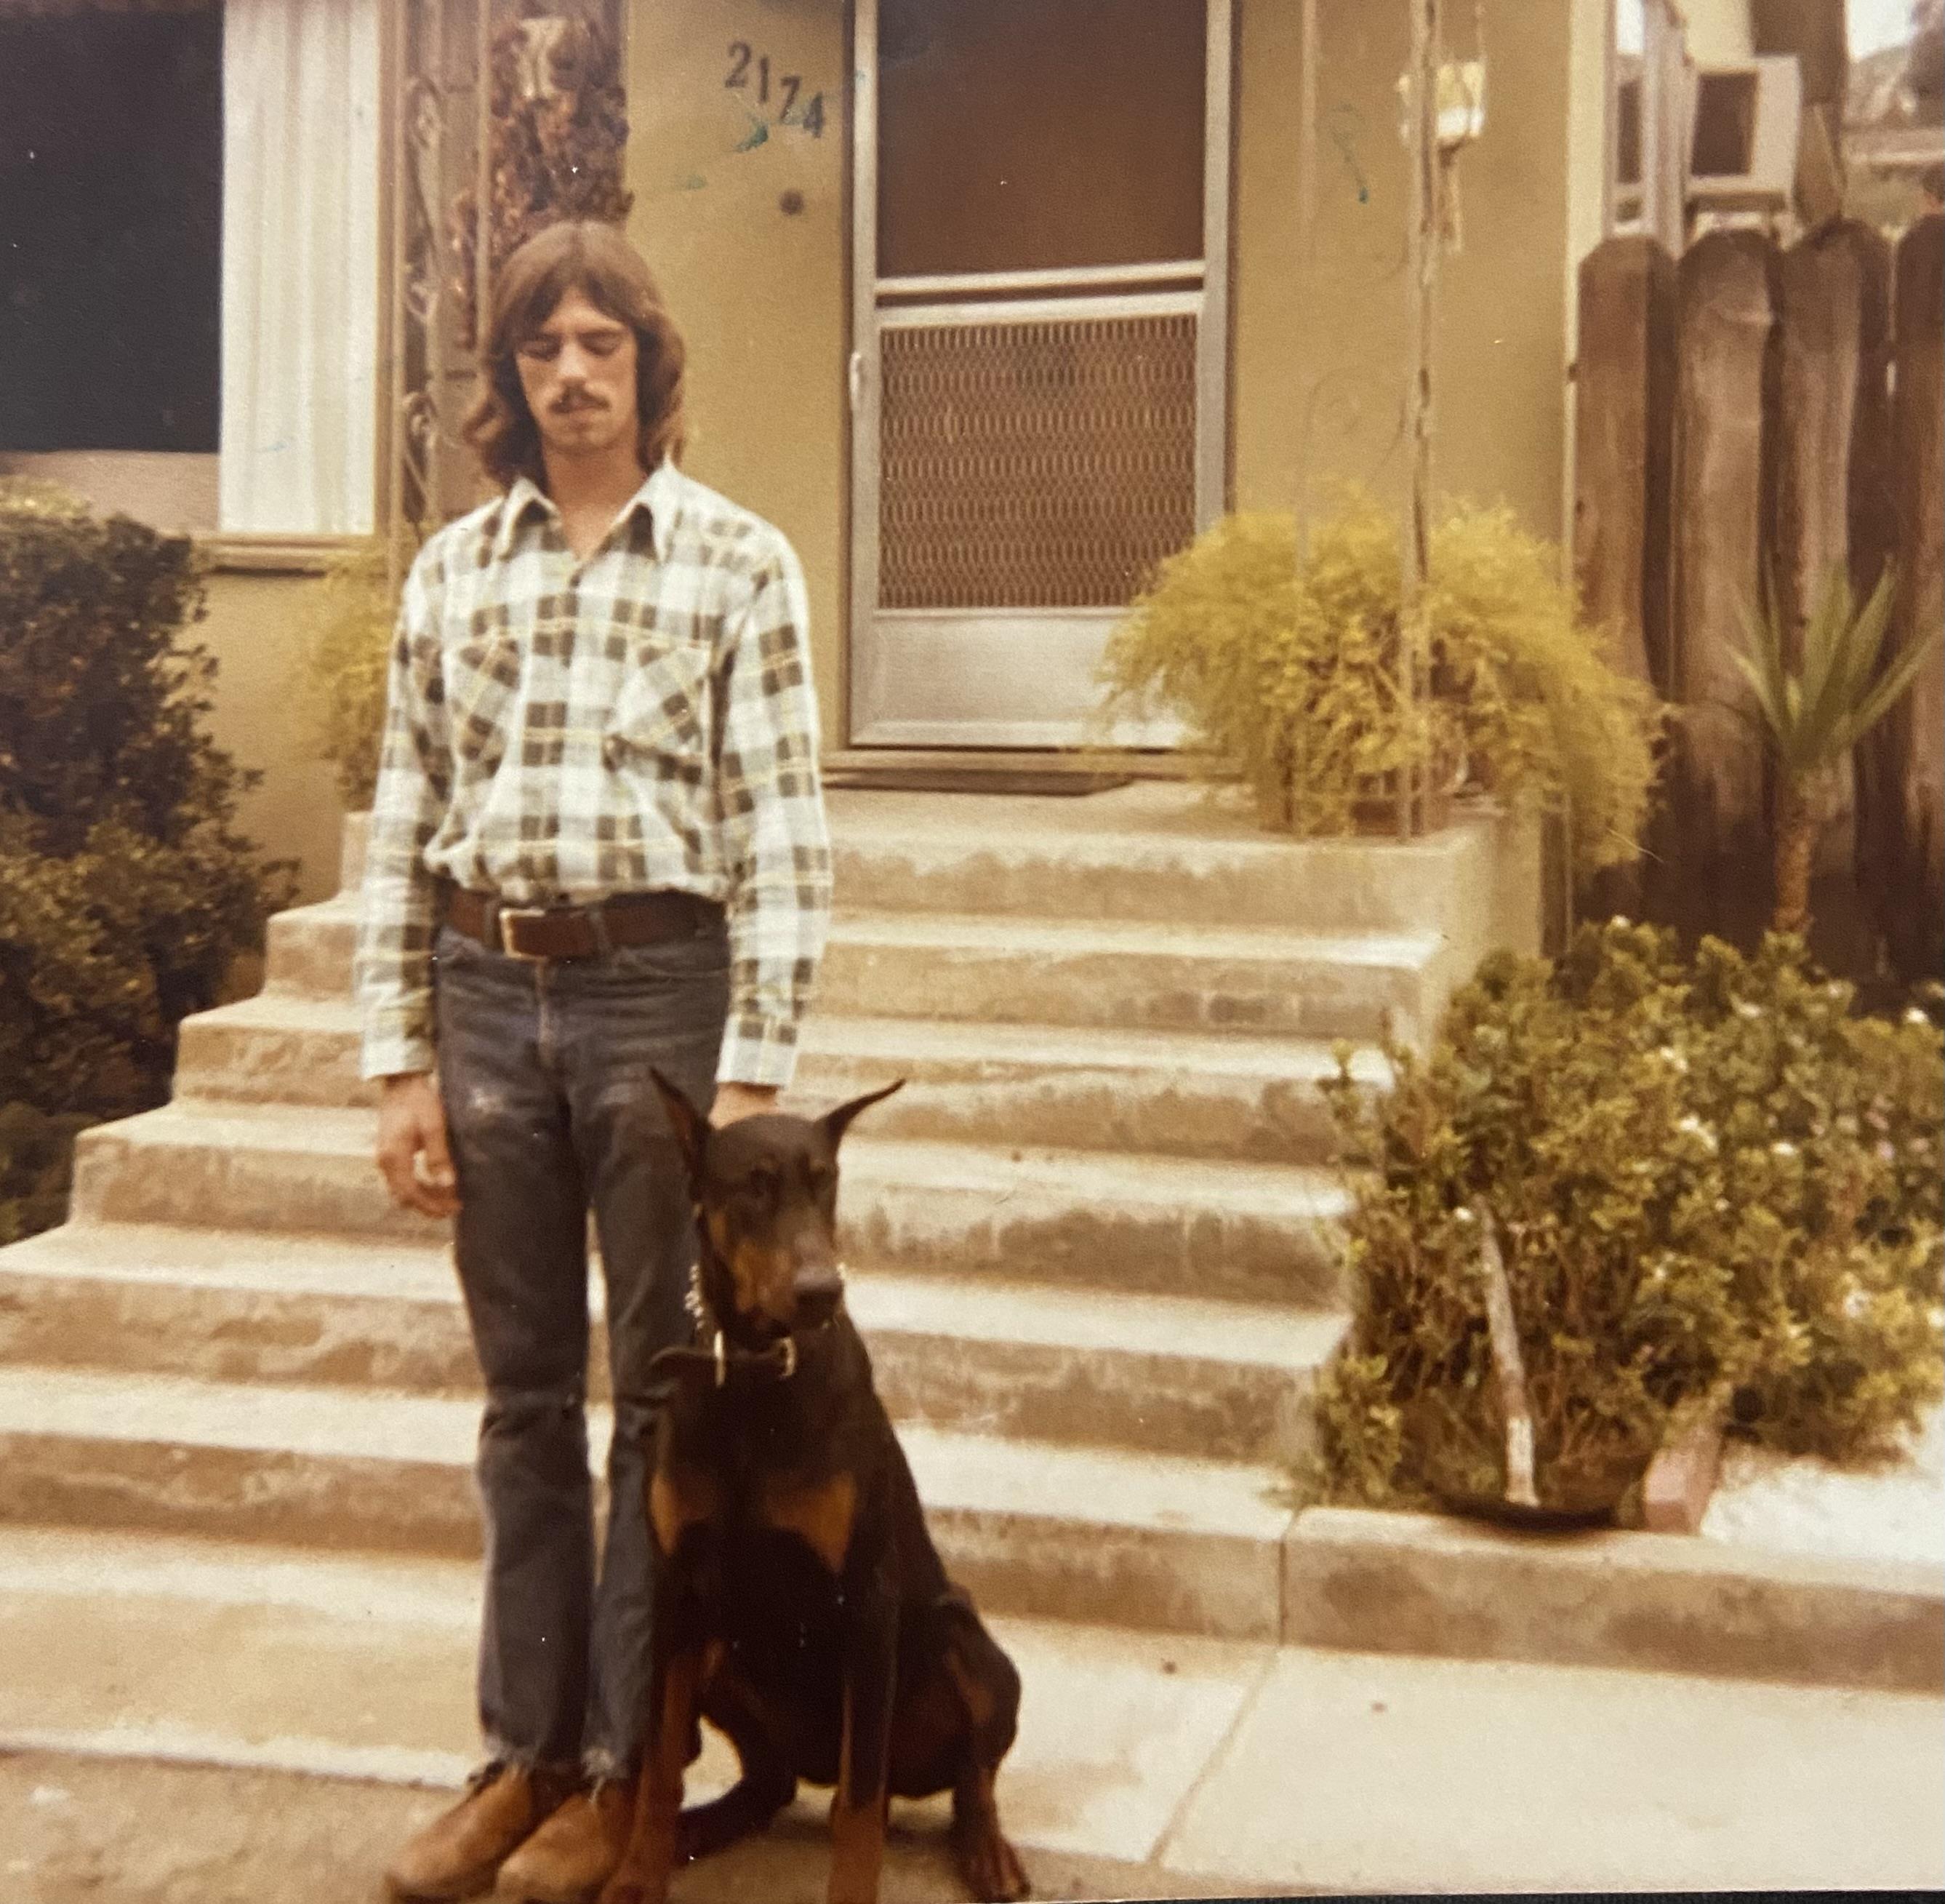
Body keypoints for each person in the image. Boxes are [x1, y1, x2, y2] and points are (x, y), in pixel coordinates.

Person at [357, 217, 832, 1904]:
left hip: (657, 1007)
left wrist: (756, 1077)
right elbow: (407, 819)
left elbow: (781, 827)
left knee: (657, 1405)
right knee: (522, 1403)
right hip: (488, 996)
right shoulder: (451, 577)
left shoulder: (735, 563)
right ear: (509, 375)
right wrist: (397, 1058)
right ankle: (524, 1757)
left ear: (648, 370)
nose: (572, 374)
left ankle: (630, 1769)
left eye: (602, 346)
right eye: (542, 347)